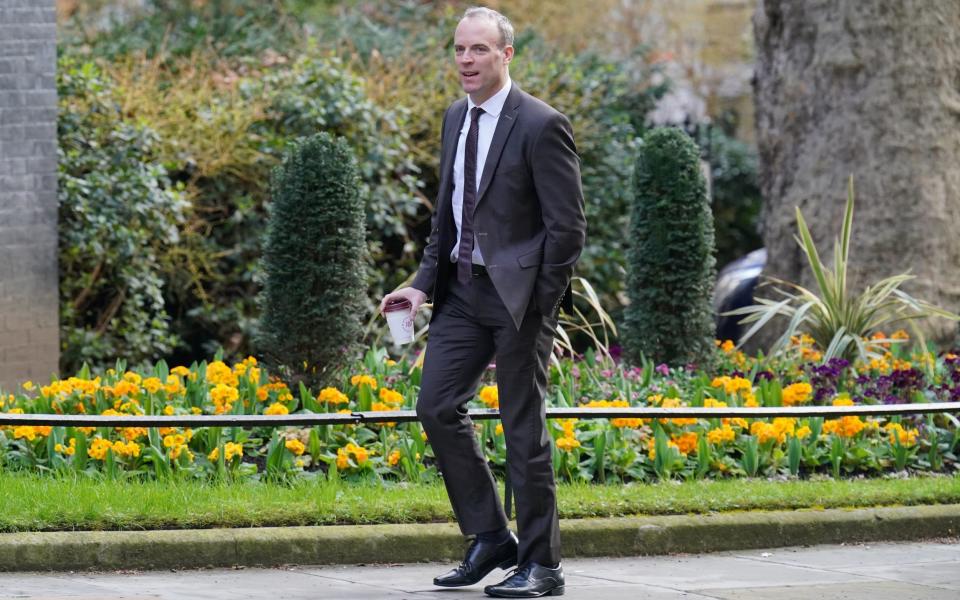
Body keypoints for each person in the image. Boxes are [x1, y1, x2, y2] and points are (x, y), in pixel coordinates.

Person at [379, 6, 586, 598]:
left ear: (506, 55)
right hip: (461, 295)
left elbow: (567, 229)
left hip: (520, 302)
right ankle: (492, 538)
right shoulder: (455, 118)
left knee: (524, 429)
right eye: (460, 50)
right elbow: (448, 217)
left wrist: (539, 302)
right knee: (437, 406)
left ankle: (543, 566)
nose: (466, 61)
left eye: (479, 50)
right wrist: (421, 284)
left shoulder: (542, 124)